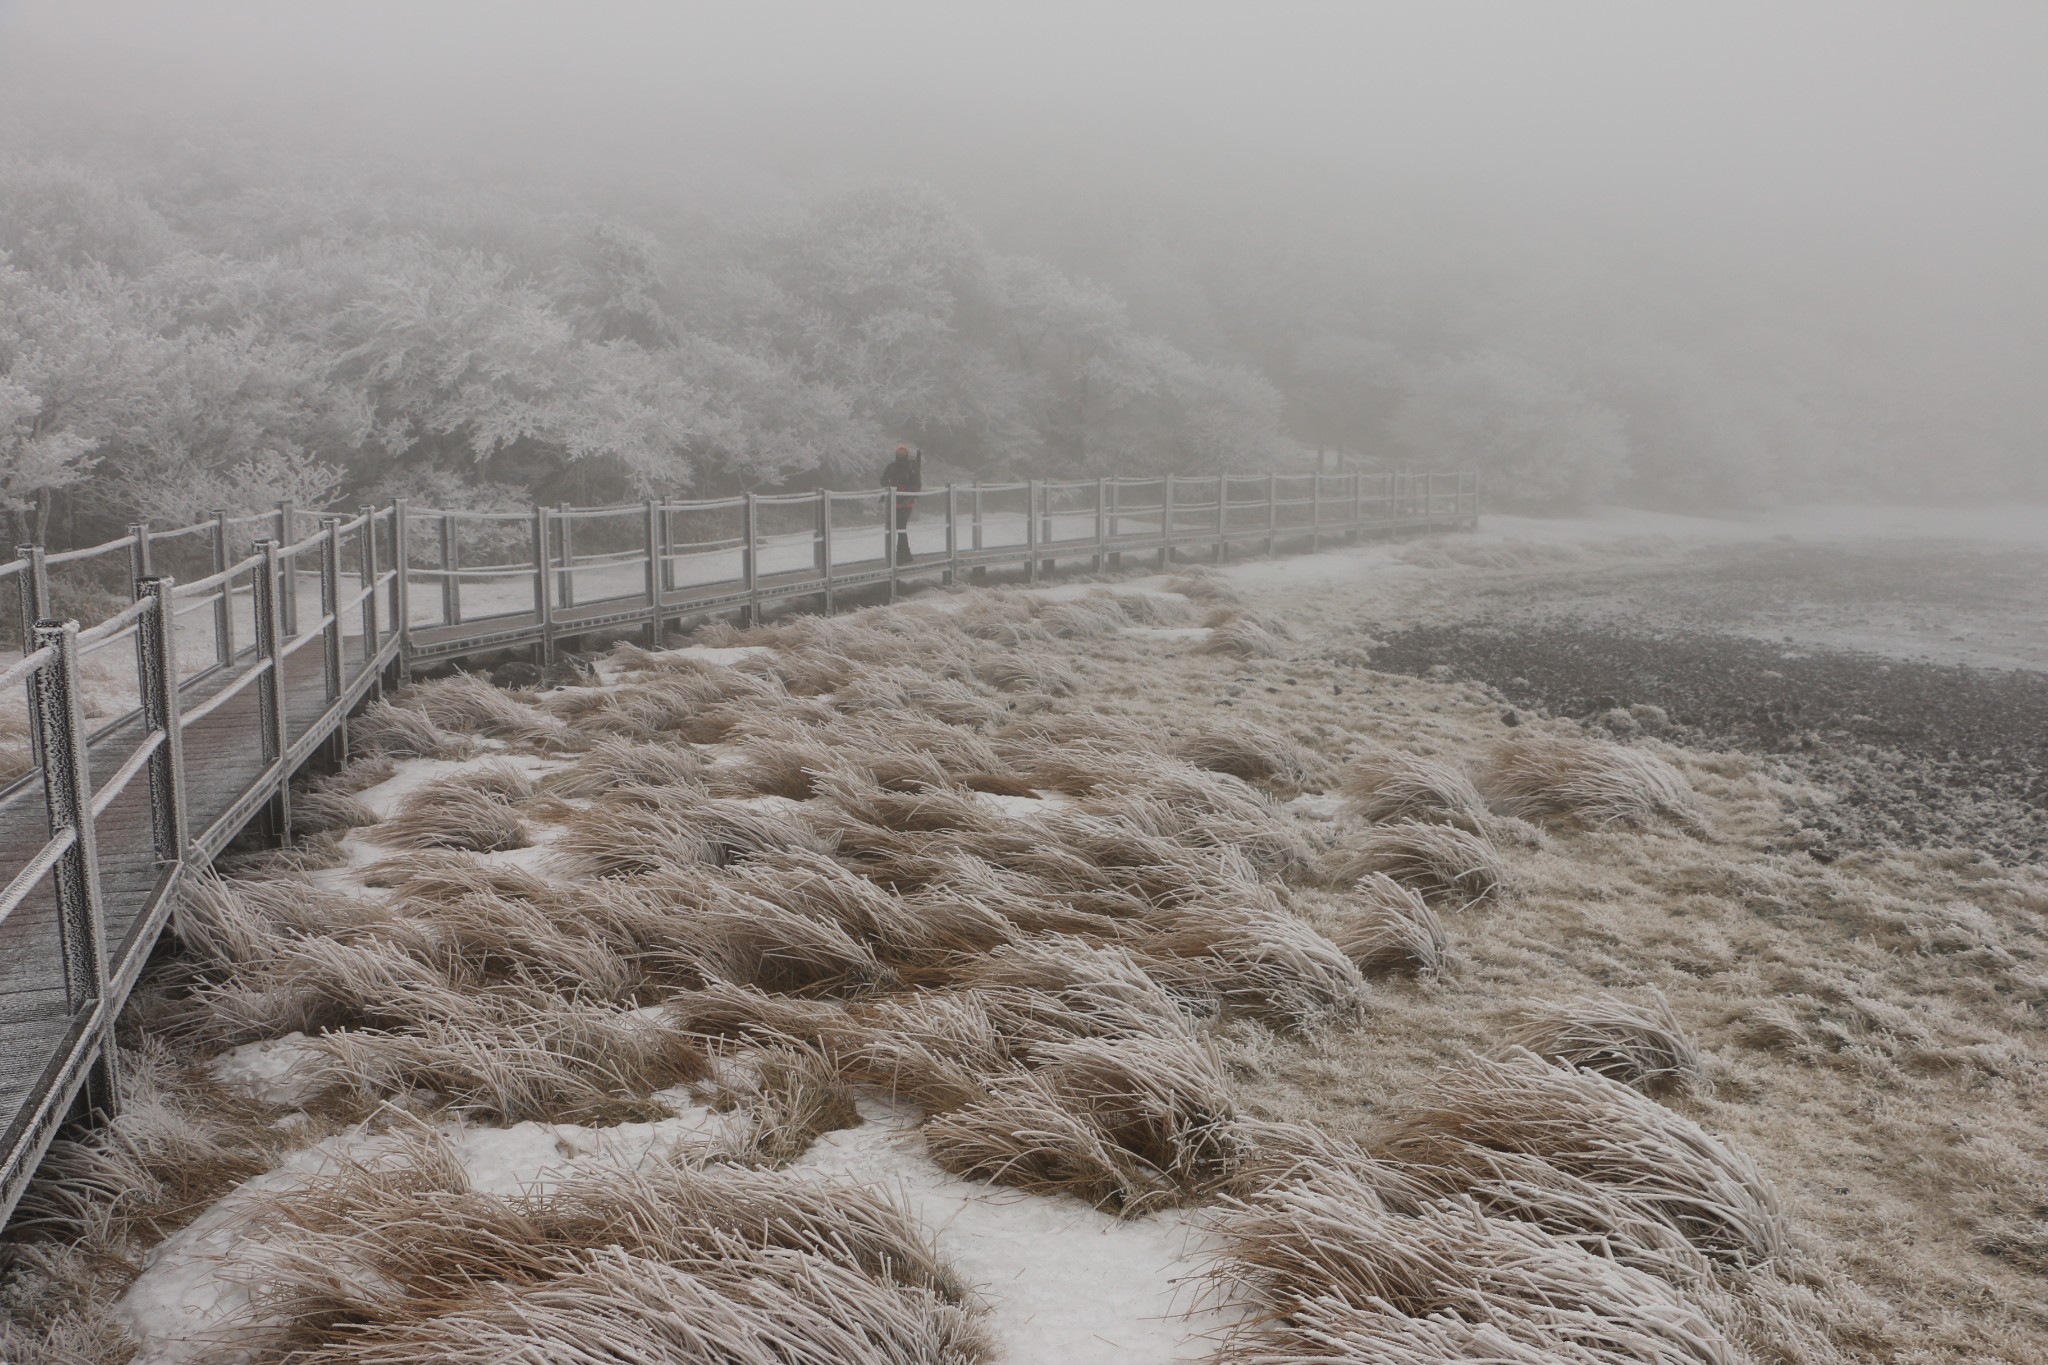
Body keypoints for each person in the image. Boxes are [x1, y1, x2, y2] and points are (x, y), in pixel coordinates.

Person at [882, 443, 922, 563]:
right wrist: (891, 485)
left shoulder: (912, 467)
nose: (900, 455)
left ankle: (903, 553)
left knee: (900, 526)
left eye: (903, 453)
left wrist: (906, 491)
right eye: (899, 453)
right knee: (897, 527)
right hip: (893, 501)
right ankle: (903, 553)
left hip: (906, 502)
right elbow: (883, 480)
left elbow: (917, 484)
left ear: (906, 454)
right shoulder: (892, 467)